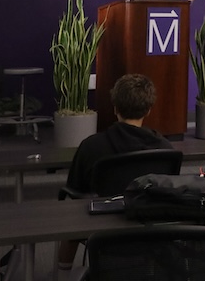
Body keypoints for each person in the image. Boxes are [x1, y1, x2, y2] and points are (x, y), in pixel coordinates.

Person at [58, 73, 172, 269]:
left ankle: (63, 270)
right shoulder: (166, 150)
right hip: (151, 228)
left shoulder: (91, 146)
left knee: (74, 211)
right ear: (149, 110)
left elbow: (74, 188)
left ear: (115, 108)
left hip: (102, 229)